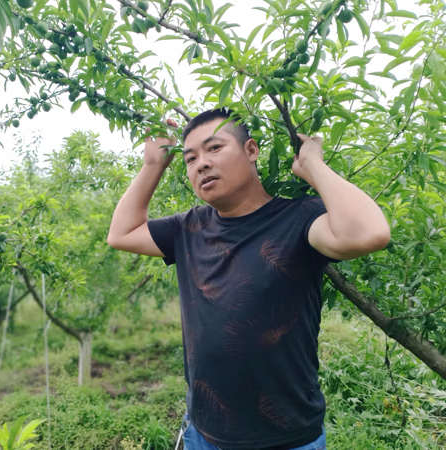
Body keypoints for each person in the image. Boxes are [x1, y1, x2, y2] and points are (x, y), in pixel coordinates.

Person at [107, 108, 391, 450]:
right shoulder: (188, 228)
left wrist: (313, 166)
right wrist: (153, 165)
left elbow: (370, 233)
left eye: (214, 148)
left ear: (251, 151)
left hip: (286, 439)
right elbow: (121, 234)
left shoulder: (298, 218)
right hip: (204, 433)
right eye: (190, 158)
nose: (201, 164)